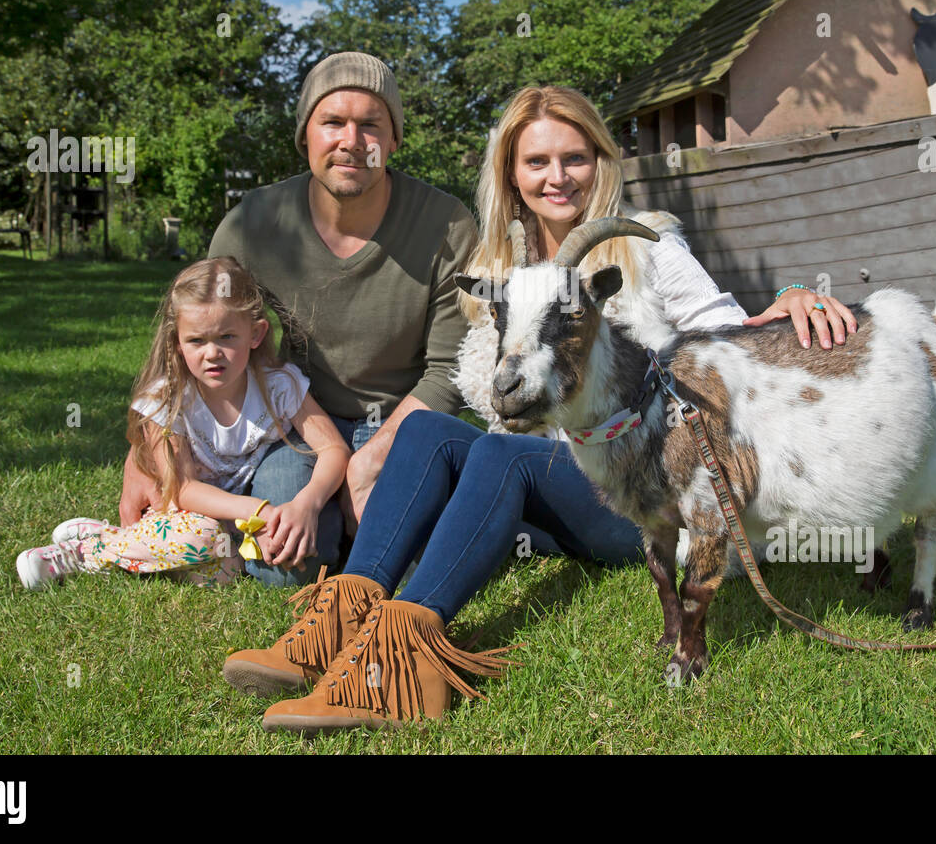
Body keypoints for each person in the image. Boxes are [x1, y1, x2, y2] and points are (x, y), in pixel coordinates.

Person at [224, 85, 858, 734]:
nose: (557, 177)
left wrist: (790, 295)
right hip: (564, 481)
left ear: (600, 161)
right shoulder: (505, 265)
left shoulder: (646, 247)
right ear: (512, 173)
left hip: (649, 485)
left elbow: (728, 334)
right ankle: (336, 624)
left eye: (574, 158)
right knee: (429, 432)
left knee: (503, 453)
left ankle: (400, 661)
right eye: (537, 162)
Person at [115, 53, 479, 587]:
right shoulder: (253, 226)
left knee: (425, 560)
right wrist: (144, 456)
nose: (351, 140)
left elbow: (451, 370)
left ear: (395, 139)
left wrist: (370, 460)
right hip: (295, 426)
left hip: (407, 426)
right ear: (305, 135)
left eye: (371, 124)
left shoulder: (447, 224)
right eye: (332, 122)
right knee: (286, 564)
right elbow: (201, 336)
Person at [16, 258, 349, 591]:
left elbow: (334, 449)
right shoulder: (168, 400)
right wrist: (258, 511)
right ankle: (87, 550)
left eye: (227, 336)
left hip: (236, 524)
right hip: (187, 514)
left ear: (256, 333)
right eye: (196, 341)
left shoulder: (279, 386)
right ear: (176, 341)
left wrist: (307, 502)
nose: (212, 353)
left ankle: (125, 547)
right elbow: (184, 489)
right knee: (201, 537)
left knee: (229, 569)